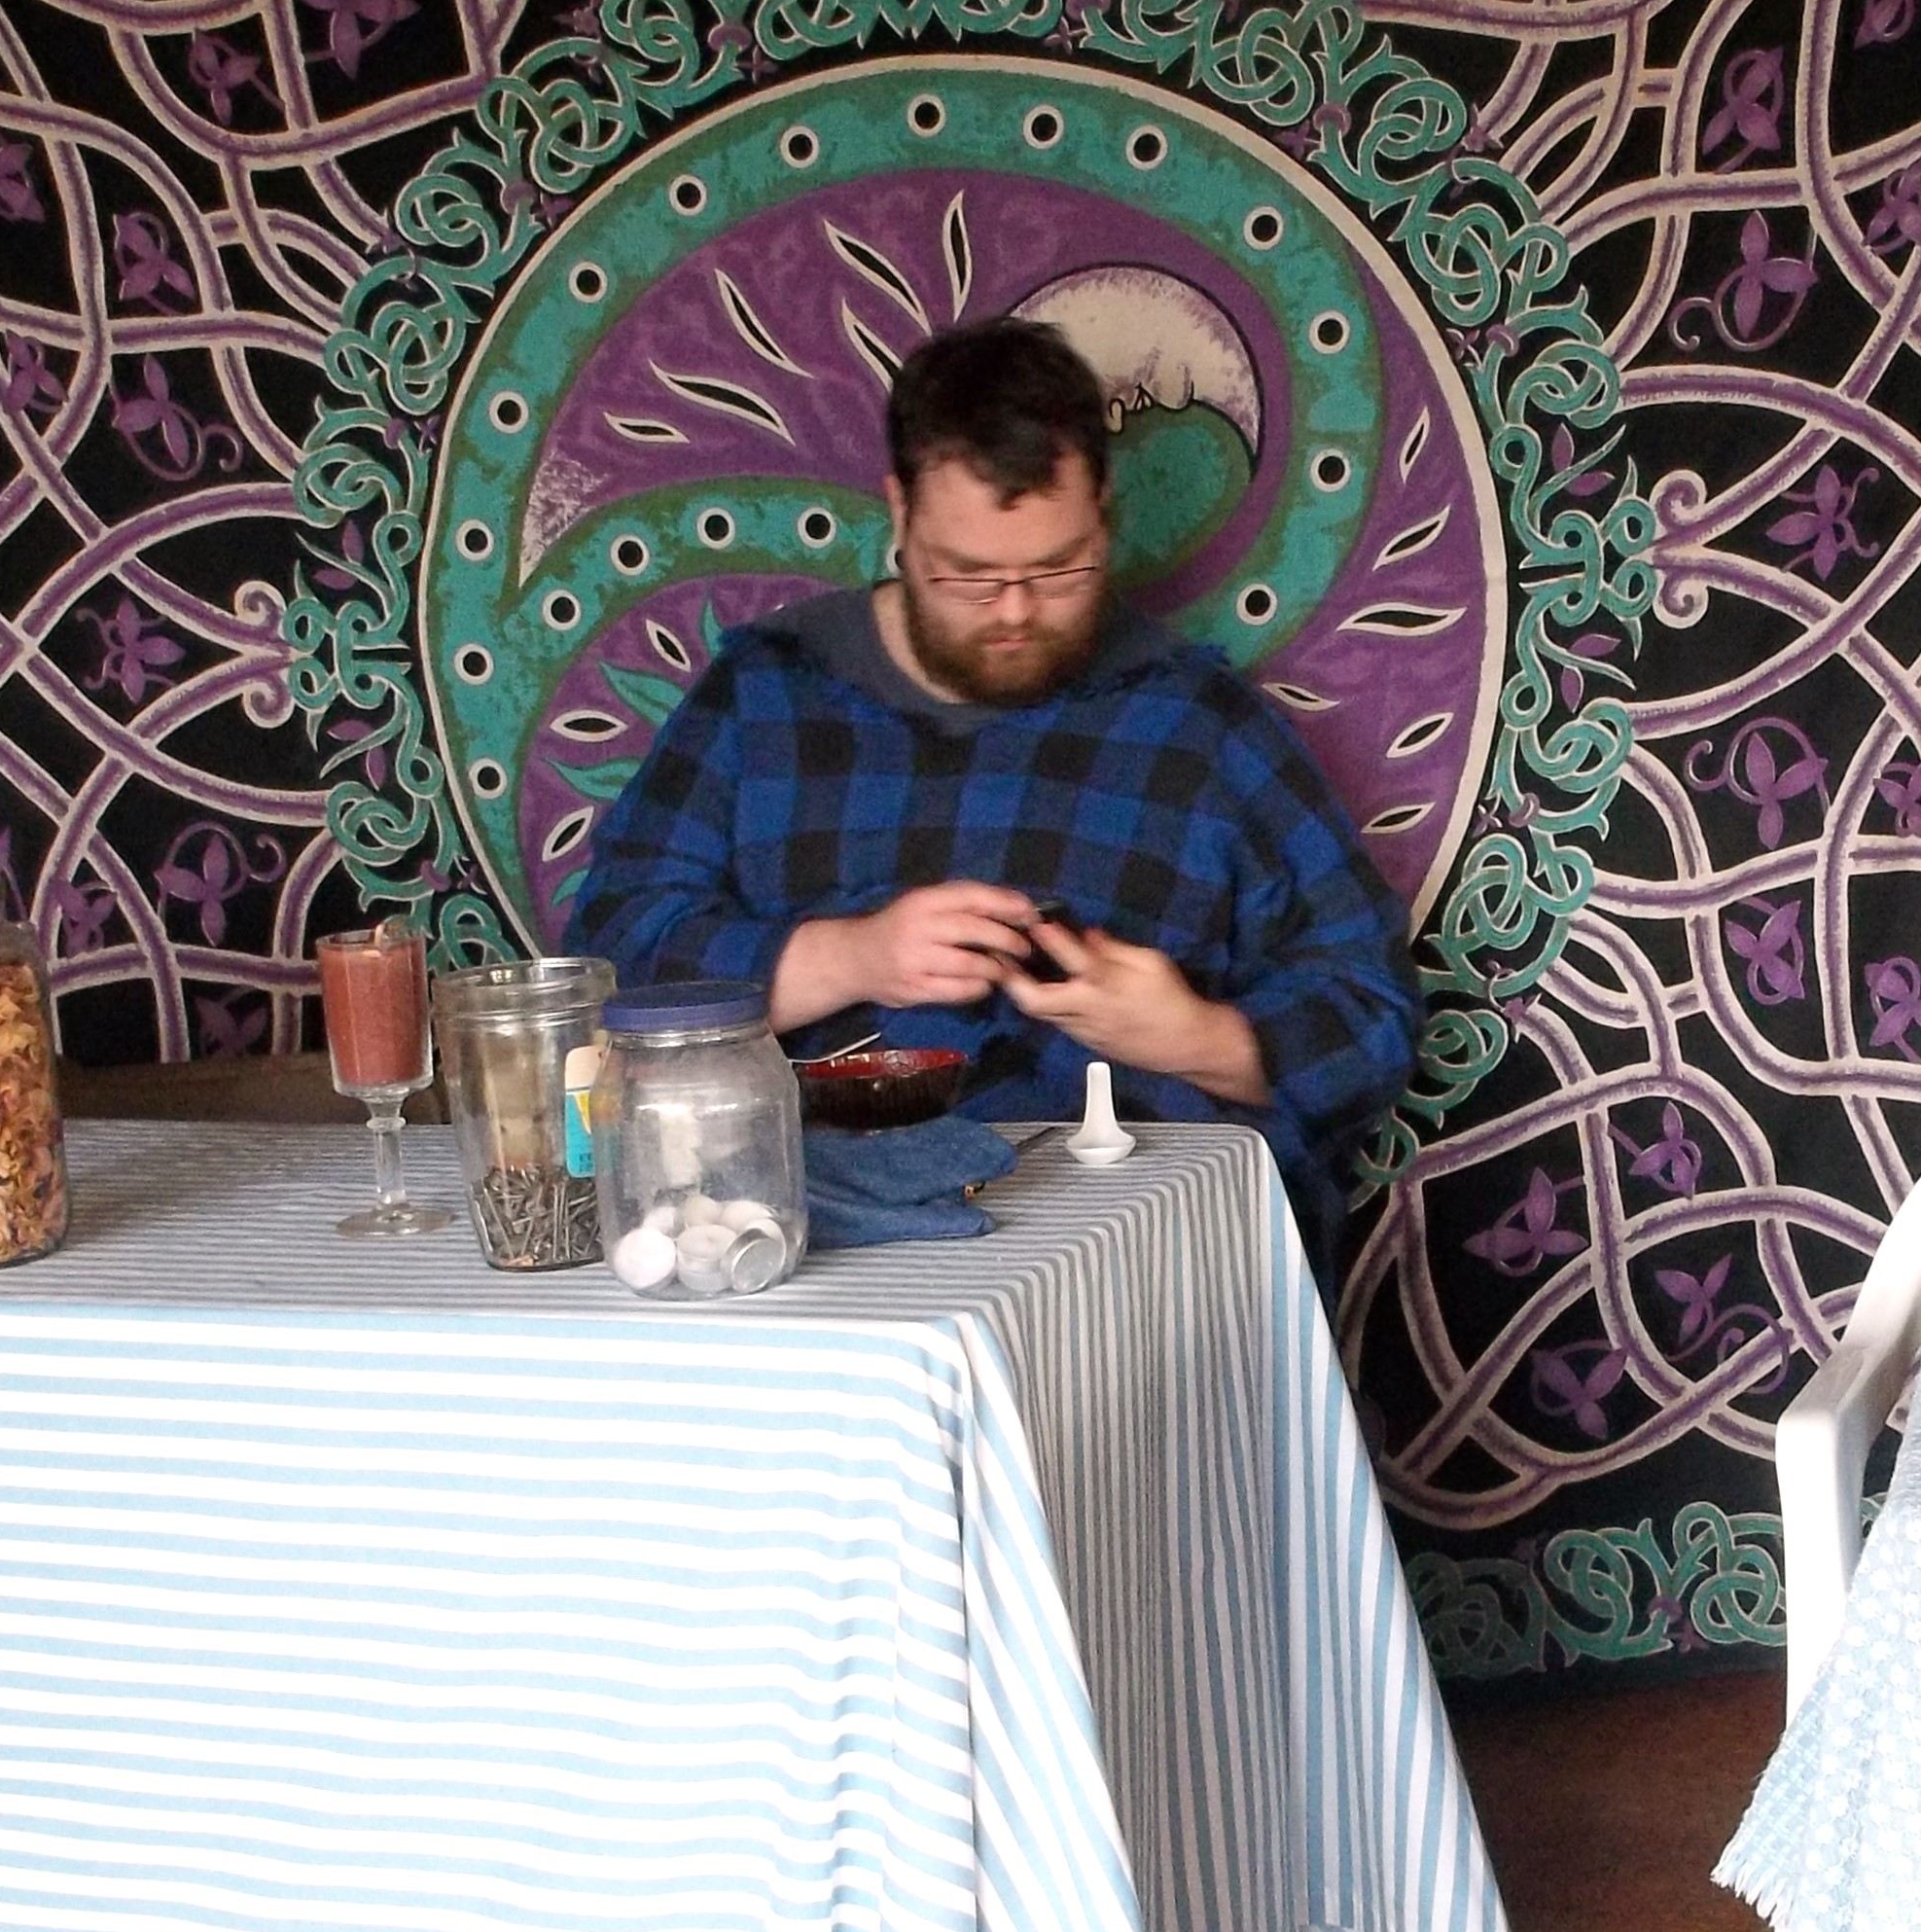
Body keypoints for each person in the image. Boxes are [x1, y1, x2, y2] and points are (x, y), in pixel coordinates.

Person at [568, 317, 1421, 1256]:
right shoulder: (764, 695)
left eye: (1059, 569)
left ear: (1105, 511)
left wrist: (1191, 1034)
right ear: (900, 514)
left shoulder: (1201, 725)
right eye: (970, 576)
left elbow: (1373, 1014)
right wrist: (849, 958)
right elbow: (610, 957)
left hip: (1123, 1250)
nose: (1016, 612)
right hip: (790, 1236)